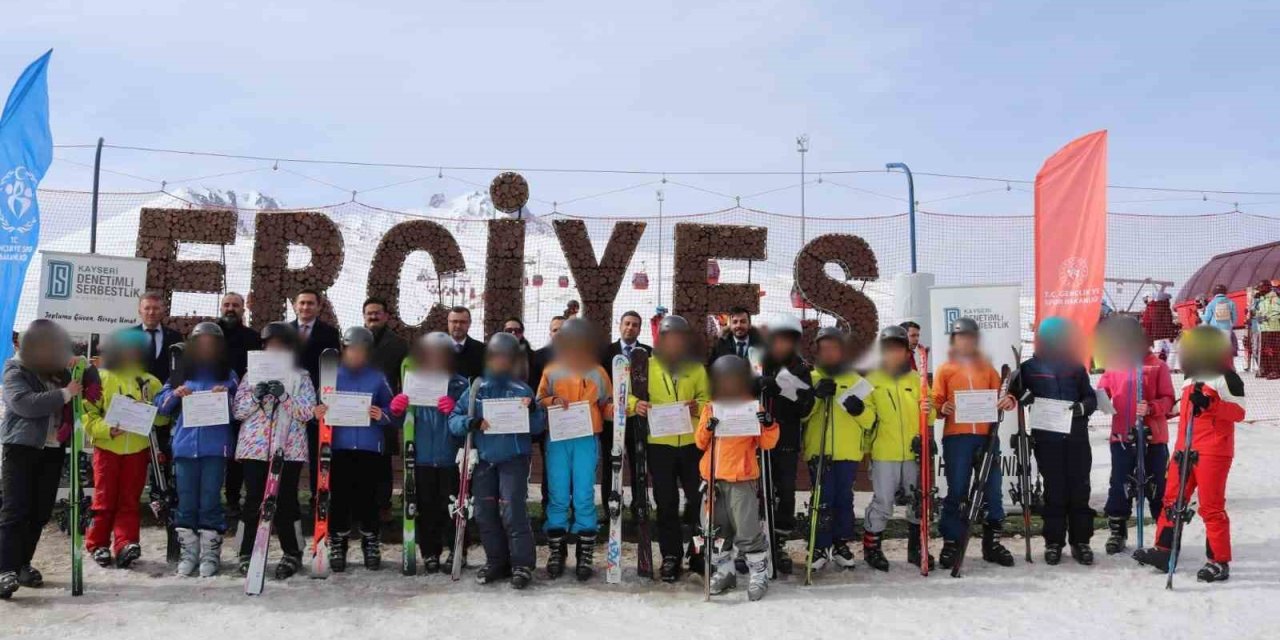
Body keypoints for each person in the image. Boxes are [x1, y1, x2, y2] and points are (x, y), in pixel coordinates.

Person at [1134, 326, 1246, 583]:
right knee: (1171, 500)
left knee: (1211, 507)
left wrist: (1211, 404)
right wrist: (1154, 409)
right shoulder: (1190, 378)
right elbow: (1180, 408)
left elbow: (1239, 412)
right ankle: (1164, 551)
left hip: (1213, 450)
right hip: (1184, 449)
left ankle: (1218, 561)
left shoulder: (1226, 376)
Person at [448, 332, 547, 589]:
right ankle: (496, 561)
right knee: (484, 512)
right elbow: (454, 420)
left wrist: (534, 409)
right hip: (484, 460)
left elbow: (537, 427)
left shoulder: (521, 389)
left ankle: (521, 563)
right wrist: (471, 422)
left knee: (512, 510)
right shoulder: (477, 389)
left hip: (513, 459)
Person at [0, 320, 84, 598]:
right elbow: (25, 404)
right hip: (22, 447)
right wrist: (64, 393)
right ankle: (4, 570)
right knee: (15, 510)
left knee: (39, 511)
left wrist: (79, 364)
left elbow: (84, 376)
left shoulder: (54, 369)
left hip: (52, 448)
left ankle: (23, 564)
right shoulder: (14, 369)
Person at [1010, 317, 1098, 565]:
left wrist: (1082, 408)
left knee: (1080, 489)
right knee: (1055, 491)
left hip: (1076, 437)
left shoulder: (1075, 367)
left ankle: (1081, 541)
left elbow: (1090, 398)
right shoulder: (1030, 368)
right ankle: (1054, 541)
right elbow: (1014, 391)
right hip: (1047, 439)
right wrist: (1022, 394)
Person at [933, 317, 1017, 570]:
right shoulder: (945, 369)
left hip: (986, 437)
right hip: (957, 438)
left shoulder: (987, 369)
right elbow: (936, 400)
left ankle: (992, 542)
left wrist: (1009, 401)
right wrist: (942, 407)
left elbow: (1003, 395)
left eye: (970, 337)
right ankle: (951, 541)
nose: (965, 341)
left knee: (992, 488)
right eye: (960, 337)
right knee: (957, 489)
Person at [232, 322, 315, 580]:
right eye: (271, 345)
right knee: (254, 500)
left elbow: (307, 412)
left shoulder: (301, 377)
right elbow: (238, 411)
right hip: (255, 447)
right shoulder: (250, 375)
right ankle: (246, 551)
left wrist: (285, 397)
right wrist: (256, 396)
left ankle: (293, 551)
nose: (275, 350)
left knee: (286, 501)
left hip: (288, 448)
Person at [629, 314, 709, 582]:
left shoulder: (696, 369)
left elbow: (708, 399)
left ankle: (698, 552)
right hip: (660, 445)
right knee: (666, 502)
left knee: (698, 502)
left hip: (691, 444)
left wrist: (699, 406)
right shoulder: (646, 366)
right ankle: (671, 555)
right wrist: (634, 405)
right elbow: (626, 394)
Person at [155, 322, 239, 577]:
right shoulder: (181, 371)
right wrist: (176, 394)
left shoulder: (228, 374)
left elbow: (241, 408)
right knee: (187, 501)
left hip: (215, 447)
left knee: (210, 499)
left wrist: (226, 395)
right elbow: (161, 404)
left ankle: (210, 554)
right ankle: (188, 553)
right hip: (185, 446)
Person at [696, 355, 780, 601]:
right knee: (715, 529)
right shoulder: (711, 407)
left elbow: (767, 442)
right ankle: (725, 571)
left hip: (741, 478)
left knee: (747, 528)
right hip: (713, 479)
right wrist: (708, 428)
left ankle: (758, 573)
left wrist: (768, 423)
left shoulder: (751, 407)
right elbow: (700, 442)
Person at [535, 318, 612, 581]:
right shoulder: (552, 370)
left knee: (583, 493)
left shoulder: (597, 372)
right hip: (558, 437)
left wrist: (621, 409)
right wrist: (552, 400)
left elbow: (607, 404)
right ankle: (557, 549)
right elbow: (539, 400)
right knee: (557, 493)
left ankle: (584, 550)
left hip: (586, 438)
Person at [313, 326, 393, 572]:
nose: (356, 355)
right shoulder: (331, 376)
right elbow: (318, 407)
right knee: (340, 497)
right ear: (344, 350)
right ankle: (338, 540)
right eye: (351, 350)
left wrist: (382, 415)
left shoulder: (377, 378)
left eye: (361, 351)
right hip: (339, 447)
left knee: (368, 497)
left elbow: (394, 411)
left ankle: (370, 540)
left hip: (369, 447)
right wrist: (318, 413)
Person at [389, 332, 468, 573]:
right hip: (421, 455)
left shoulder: (460, 384)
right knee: (426, 506)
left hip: (449, 456)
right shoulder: (414, 380)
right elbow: (402, 420)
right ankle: (430, 552)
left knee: (453, 506)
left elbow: (470, 420)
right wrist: (398, 410)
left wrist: (456, 410)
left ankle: (457, 550)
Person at [1095, 317, 1174, 555]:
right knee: (1120, 484)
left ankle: (1165, 536)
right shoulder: (1115, 365)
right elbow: (1102, 391)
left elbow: (1169, 399)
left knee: (1157, 486)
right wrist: (1102, 401)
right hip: (1122, 436)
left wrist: (1151, 407)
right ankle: (1118, 531)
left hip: (1153, 438)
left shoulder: (1156, 365)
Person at [82, 329, 159, 570]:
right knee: (104, 498)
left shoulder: (150, 381)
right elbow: (87, 414)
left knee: (129, 499)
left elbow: (162, 418)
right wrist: (106, 429)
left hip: (137, 449)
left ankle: (126, 543)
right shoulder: (100, 379)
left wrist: (151, 411)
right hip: (107, 449)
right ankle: (97, 543)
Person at [862, 325, 935, 571]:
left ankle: (916, 550)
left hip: (913, 453)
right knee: (883, 502)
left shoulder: (917, 380)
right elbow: (867, 419)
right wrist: (857, 410)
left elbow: (932, 416)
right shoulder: (872, 380)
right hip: (885, 452)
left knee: (917, 501)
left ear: (906, 352)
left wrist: (929, 410)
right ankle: (872, 548)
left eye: (898, 349)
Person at [804, 327, 874, 571]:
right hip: (819, 450)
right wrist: (814, 397)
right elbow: (801, 416)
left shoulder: (856, 381)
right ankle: (819, 545)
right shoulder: (811, 378)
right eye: (824, 348)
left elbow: (870, 420)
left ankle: (840, 542)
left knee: (844, 499)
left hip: (847, 451)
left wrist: (860, 410)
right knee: (822, 499)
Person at [756, 313, 812, 574]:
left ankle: (777, 541)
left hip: (786, 437)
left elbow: (805, 404)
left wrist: (778, 388)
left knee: (785, 490)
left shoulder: (800, 367)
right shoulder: (758, 361)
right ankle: (755, 539)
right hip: (756, 438)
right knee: (758, 489)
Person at [598, 310, 651, 511]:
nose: (630, 327)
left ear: (640, 328)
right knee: (612, 466)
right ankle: (610, 508)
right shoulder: (605, 353)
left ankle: (639, 506)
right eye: (627, 323)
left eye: (635, 324)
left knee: (639, 464)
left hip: (639, 418)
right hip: (612, 420)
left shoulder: (649, 352)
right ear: (620, 326)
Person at [291, 288, 342, 497]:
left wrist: (325, 398)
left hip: (318, 402)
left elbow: (332, 367)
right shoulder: (284, 331)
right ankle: (286, 498)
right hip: (290, 400)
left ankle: (317, 496)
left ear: (318, 307)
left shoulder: (329, 333)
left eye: (310, 303)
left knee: (317, 451)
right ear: (295, 306)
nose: (305, 307)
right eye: (302, 303)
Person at [364, 297, 410, 522]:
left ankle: (383, 505)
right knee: (359, 458)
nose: (373, 317)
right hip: (357, 409)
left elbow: (406, 378)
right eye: (369, 313)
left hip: (385, 408)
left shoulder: (400, 344)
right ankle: (361, 504)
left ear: (386, 316)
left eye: (377, 313)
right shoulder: (353, 340)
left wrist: (399, 403)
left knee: (383, 461)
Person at [217, 291, 261, 521]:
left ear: (243, 309)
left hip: (243, 404)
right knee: (214, 452)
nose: (230, 309)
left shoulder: (253, 338)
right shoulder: (209, 334)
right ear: (220, 307)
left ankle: (233, 499)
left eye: (235, 305)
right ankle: (213, 499)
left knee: (237, 455)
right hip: (210, 403)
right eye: (227, 305)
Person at [135, 291, 183, 383]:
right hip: (136, 393)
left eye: (156, 308)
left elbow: (179, 368)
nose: (151, 312)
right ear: (140, 312)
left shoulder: (175, 337)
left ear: (162, 312)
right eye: (147, 308)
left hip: (166, 393)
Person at [1200, 284, 1239, 363]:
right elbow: (1234, 318)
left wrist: (1201, 315)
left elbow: (1207, 318)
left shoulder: (1211, 304)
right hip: (1226, 329)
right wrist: (1231, 325)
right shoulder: (1231, 303)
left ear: (1214, 293)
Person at [447, 306, 485, 379]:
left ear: (469, 323)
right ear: (448, 322)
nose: (458, 326)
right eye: (454, 321)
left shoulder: (482, 350)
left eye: (462, 322)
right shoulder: (436, 350)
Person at [1254, 281, 1280, 379]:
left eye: (1261, 288)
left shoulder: (1274, 298)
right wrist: (1257, 316)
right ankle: (1266, 369)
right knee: (1264, 350)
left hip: (1274, 328)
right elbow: (1259, 312)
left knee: (1273, 350)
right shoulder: (1262, 299)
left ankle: (1276, 370)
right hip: (1264, 328)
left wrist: (1266, 317)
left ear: (1266, 287)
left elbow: (1277, 311)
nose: (1259, 290)